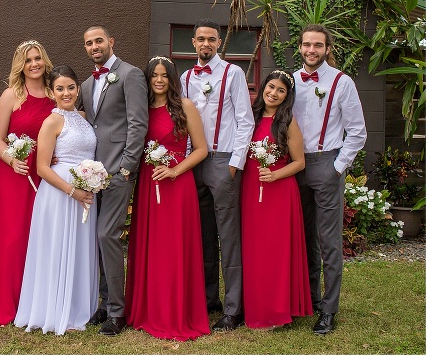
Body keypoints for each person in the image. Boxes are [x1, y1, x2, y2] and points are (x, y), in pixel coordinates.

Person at [0, 40, 56, 327]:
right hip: (13, 174)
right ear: (21, 64)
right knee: (12, 238)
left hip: (45, 175)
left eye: (38, 58)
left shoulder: (56, 94)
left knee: (38, 237)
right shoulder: (11, 95)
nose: (34, 64)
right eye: (28, 59)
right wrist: (10, 159)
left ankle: (36, 302)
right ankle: (6, 302)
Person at [125, 56, 210, 341]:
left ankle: (175, 310)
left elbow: (200, 150)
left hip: (177, 185)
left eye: (164, 76)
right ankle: (148, 309)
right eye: (154, 76)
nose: (159, 80)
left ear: (173, 80)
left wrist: (174, 170)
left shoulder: (184, 107)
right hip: (149, 185)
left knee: (174, 246)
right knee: (151, 246)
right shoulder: (141, 109)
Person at [180, 18, 254, 331]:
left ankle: (234, 309)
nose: (206, 44)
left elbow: (245, 120)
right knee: (203, 235)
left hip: (224, 161)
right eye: (201, 39)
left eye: (212, 39)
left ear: (219, 42)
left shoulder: (233, 73)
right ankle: (211, 300)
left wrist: (235, 163)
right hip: (192, 164)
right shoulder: (184, 77)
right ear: (193, 43)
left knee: (229, 236)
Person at [292, 24, 366, 335]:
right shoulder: (291, 81)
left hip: (326, 163)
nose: (312, 50)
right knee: (303, 237)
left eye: (318, 45)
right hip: (295, 168)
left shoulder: (342, 82)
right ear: (299, 48)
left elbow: (357, 132)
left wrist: (337, 167)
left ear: (327, 49)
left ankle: (329, 308)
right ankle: (309, 299)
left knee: (329, 241)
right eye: (307, 44)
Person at [14, 65, 98, 335]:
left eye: (71, 87)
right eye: (59, 88)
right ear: (51, 91)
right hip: (60, 194)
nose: (66, 93)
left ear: (77, 89)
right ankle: (52, 308)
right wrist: (73, 191)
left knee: (79, 248)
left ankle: (77, 307)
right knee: (57, 248)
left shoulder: (83, 118)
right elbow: (42, 168)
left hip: (85, 191)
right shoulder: (52, 121)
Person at [80, 25, 148, 336]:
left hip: (118, 173)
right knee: (96, 238)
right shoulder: (84, 85)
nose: (94, 46)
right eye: (88, 43)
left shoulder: (130, 75)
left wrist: (126, 168)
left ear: (111, 41)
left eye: (98, 41)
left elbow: (137, 123)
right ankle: (105, 303)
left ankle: (118, 312)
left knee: (107, 235)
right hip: (91, 175)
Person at [241, 70, 312, 329]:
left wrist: (275, 175)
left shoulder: (287, 121)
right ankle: (256, 306)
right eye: (271, 87)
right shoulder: (251, 116)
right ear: (263, 88)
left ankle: (277, 310)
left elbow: (300, 162)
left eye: (280, 91)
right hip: (251, 188)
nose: (273, 93)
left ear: (286, 96)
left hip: (279, 191)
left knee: (275, 251)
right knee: (254, 250)